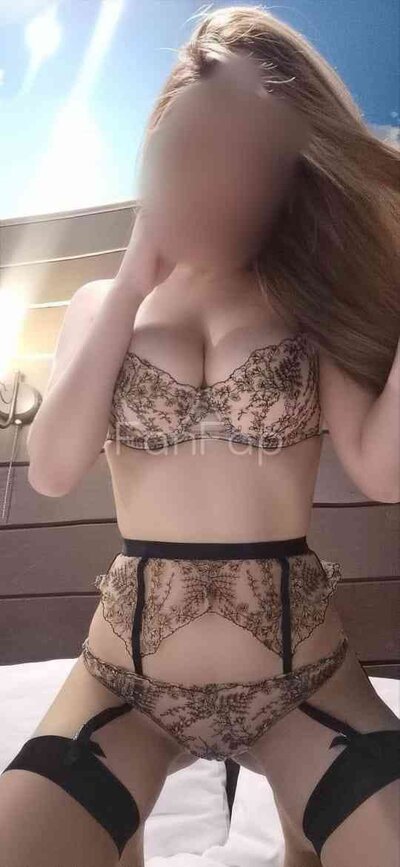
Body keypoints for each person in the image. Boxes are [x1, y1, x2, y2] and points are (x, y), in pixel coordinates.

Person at [1, 6, 399, 867]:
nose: (221, 181)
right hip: (125, 687)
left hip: (305, 683)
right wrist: (133, 275)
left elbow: (384, 468)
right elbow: (55, 469)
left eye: (252, 158)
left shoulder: (309, 304)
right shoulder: (99, 307)